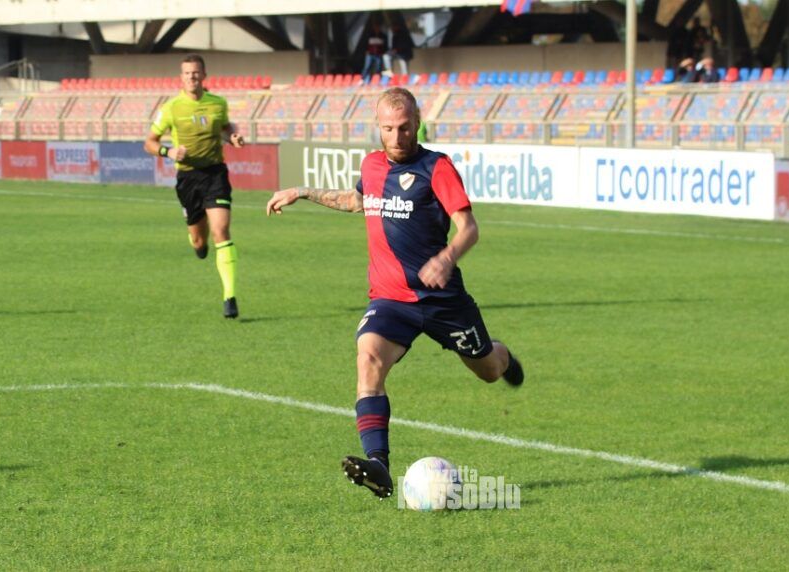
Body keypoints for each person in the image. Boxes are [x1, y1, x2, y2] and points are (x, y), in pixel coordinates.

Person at [265, 87, 524, 500]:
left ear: (417, 123)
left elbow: (469, 227)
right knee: (367, 359)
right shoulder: (371, 165)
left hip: (442, 300)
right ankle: (379, 466)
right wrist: (302, 192)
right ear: (378, 127)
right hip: (390, 300)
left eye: (404, 128)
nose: (397, 136)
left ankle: (502, 355)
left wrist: (448, 257)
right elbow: (357, 200)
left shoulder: (437, 167)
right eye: (388, 128)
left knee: (488, 370)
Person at [144, 54, 245, 319]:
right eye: (187, 73)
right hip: (188, 178)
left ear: (204, 75)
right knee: (200, 242)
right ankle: (197, 242)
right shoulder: (171, 108)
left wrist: (232, 136)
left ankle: (230, 297)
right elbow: (150, 142)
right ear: (181, 77)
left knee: (221, 230)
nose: (192, 77)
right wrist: (168, 151)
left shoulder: (217, 103)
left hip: (215, 174)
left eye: (196, 72)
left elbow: (225, 127)